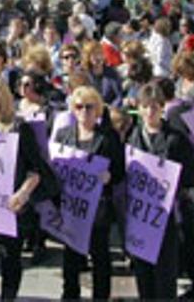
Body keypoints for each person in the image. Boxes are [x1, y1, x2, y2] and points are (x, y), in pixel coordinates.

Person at [0, 74, 58, 301]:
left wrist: (23, 193)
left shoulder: (18, 128)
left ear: (2, 97)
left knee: (10, 260)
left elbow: (37, 170)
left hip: (12, 209)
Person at [127, 82, 194, 300]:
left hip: (167, 216)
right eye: (146, 106)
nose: (150, 111)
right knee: (143, 275)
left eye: (155, 106)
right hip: (140, 216)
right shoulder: (133, 137)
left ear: (162, 108)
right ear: (139, 108)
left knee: (164, 275)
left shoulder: (175, 138)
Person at [52, 86, 124, 301]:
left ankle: (101, 296)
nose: (84, 111)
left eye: (89, 107)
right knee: (71, 255)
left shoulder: (108, 137)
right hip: (72, 206)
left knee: (100, 255)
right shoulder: (63, 135)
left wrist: (109, 177)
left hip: (98, 206)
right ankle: (69, 295)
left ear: (97, 110)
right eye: (79, 107)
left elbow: (120, 170)